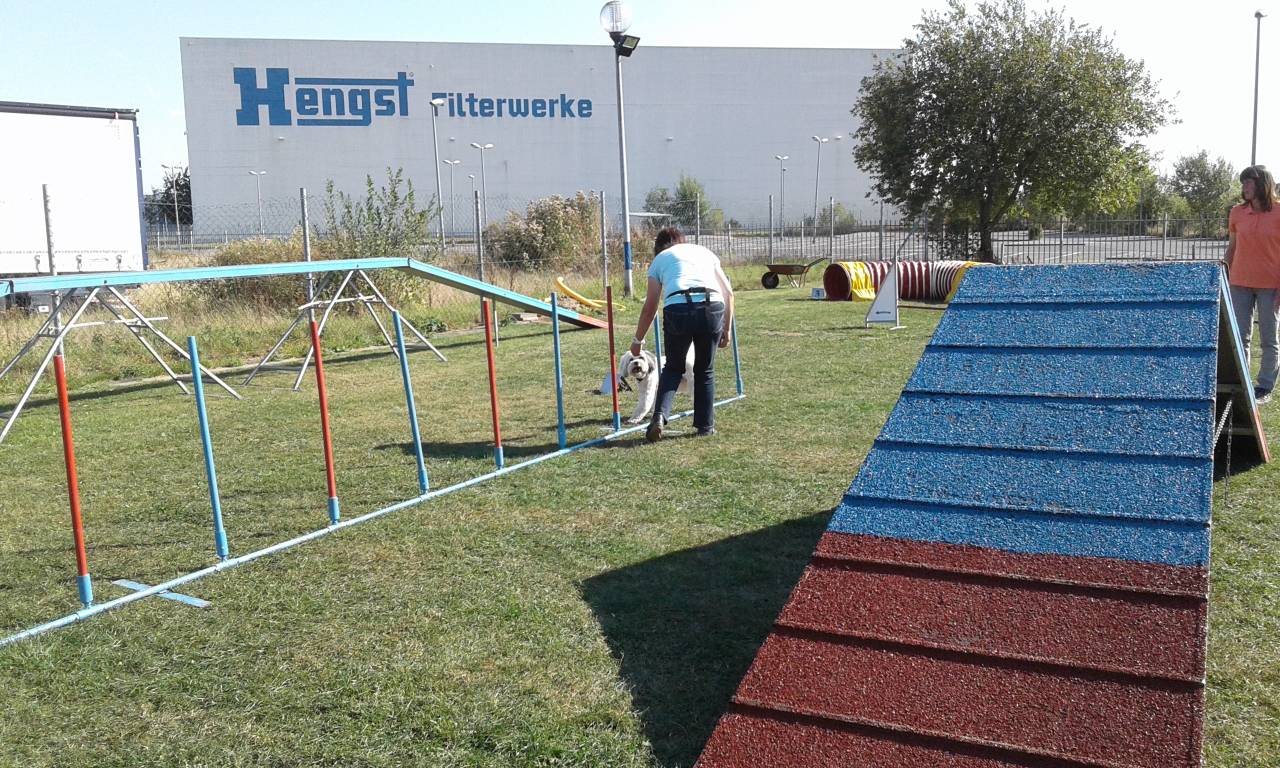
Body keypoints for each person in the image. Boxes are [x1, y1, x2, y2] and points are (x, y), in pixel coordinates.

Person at [629, 227, 735, 441]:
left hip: (677, 308)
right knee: (705, 370)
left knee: (673, 368)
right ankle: (705, 426)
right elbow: (729, 294)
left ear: (658, 247)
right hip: (712, 306)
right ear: (683, 241)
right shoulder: (705, 252)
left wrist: (638, 340)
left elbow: (650, 307)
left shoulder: (660, 259)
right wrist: (727, 329)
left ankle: (659, 417)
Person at [1225, 164, 1280, 405]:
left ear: (1263, 184)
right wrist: (1223, 276)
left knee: (1269, 338)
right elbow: (1232, 248)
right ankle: (1243, 383)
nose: (1244, 186)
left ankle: (1265, 386)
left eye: (1249, 181)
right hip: (1239, 283)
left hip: (1271, 285)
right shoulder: (1237, 212)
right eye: (1243, 182)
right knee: (1239, 337)